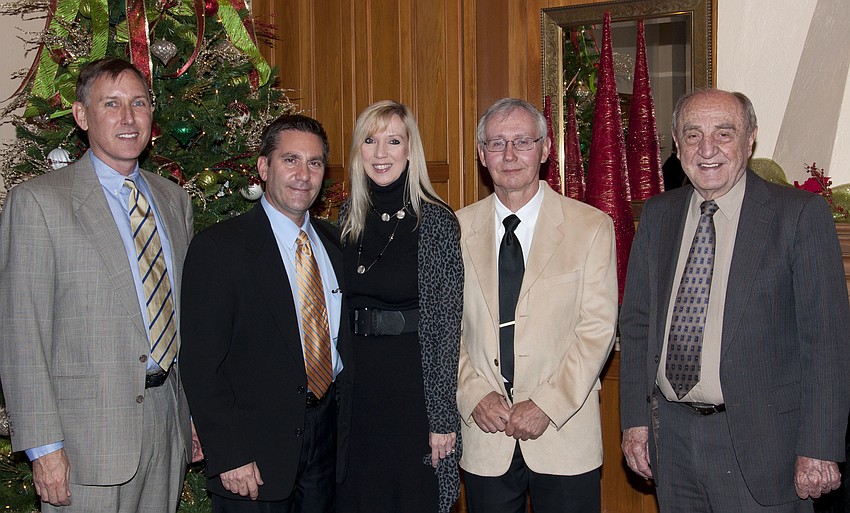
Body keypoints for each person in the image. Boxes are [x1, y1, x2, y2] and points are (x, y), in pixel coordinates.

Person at [619, 88, 850, 512]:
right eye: (692, 135)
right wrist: (635, 423)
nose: (707, 149)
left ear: (750, 139)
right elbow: (636, 326)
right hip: (672, 441)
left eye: (724, 134)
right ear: (676, 143)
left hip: (764, 447)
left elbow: (828, 341)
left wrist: (819, 445)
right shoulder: (658, 215)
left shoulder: (797, 215)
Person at [0, 57, 202, 512]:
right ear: (82, 115)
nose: (128, 118)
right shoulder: (38, 203)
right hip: (82, 442)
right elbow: (21, 335)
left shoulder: (174, 200)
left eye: (139, 103)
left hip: (165, 422)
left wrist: (192, 414)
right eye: (111, 104)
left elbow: (182, 315)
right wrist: (44, 448)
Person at [179, 114, 353, 513]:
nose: (303, 175)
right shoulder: (220, 249)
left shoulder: (337, 244)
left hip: (327, 446)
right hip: (252, 457)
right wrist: (229, 453)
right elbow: (200, 364)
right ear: (263, 167)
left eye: (314, 163)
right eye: (290, 160)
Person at [456, 97, 618, 513]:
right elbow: (442, 330)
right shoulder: (452, 229)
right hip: (485, 432)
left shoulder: (590, 227)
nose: (509, 155)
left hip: (564, 433)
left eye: (523, 142)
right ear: (481, 154)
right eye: (496, 143)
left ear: (545, 150)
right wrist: (473, 393)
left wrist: (547, 404)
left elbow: (597, 330)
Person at [334, 100, 463, 513]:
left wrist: (442, 417)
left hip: (413, 393)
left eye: (393, 140)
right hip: (356, 391)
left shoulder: (436, 221)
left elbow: (446, 326)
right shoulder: (345, 218)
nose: (380, 153)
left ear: (411, 149)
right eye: (369, 141)